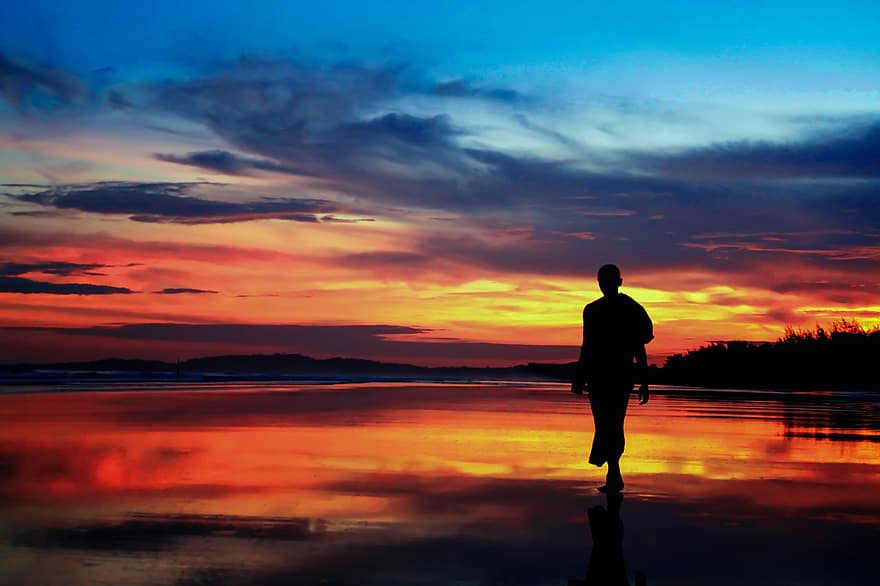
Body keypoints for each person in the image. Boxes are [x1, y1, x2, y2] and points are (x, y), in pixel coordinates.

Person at [572, 264, 653, 492]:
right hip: (603, 376)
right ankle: (613, 470)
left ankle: (613, 471)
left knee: (611, 423)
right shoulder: (594, 310)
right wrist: (579, 375)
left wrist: (645, 381)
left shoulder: (628, 308)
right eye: (603, 281)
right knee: (608, 423)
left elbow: (639, 344)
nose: (604, 285)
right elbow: (587, 345)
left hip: (615, 376)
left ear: (618, 282)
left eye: (606, 281)